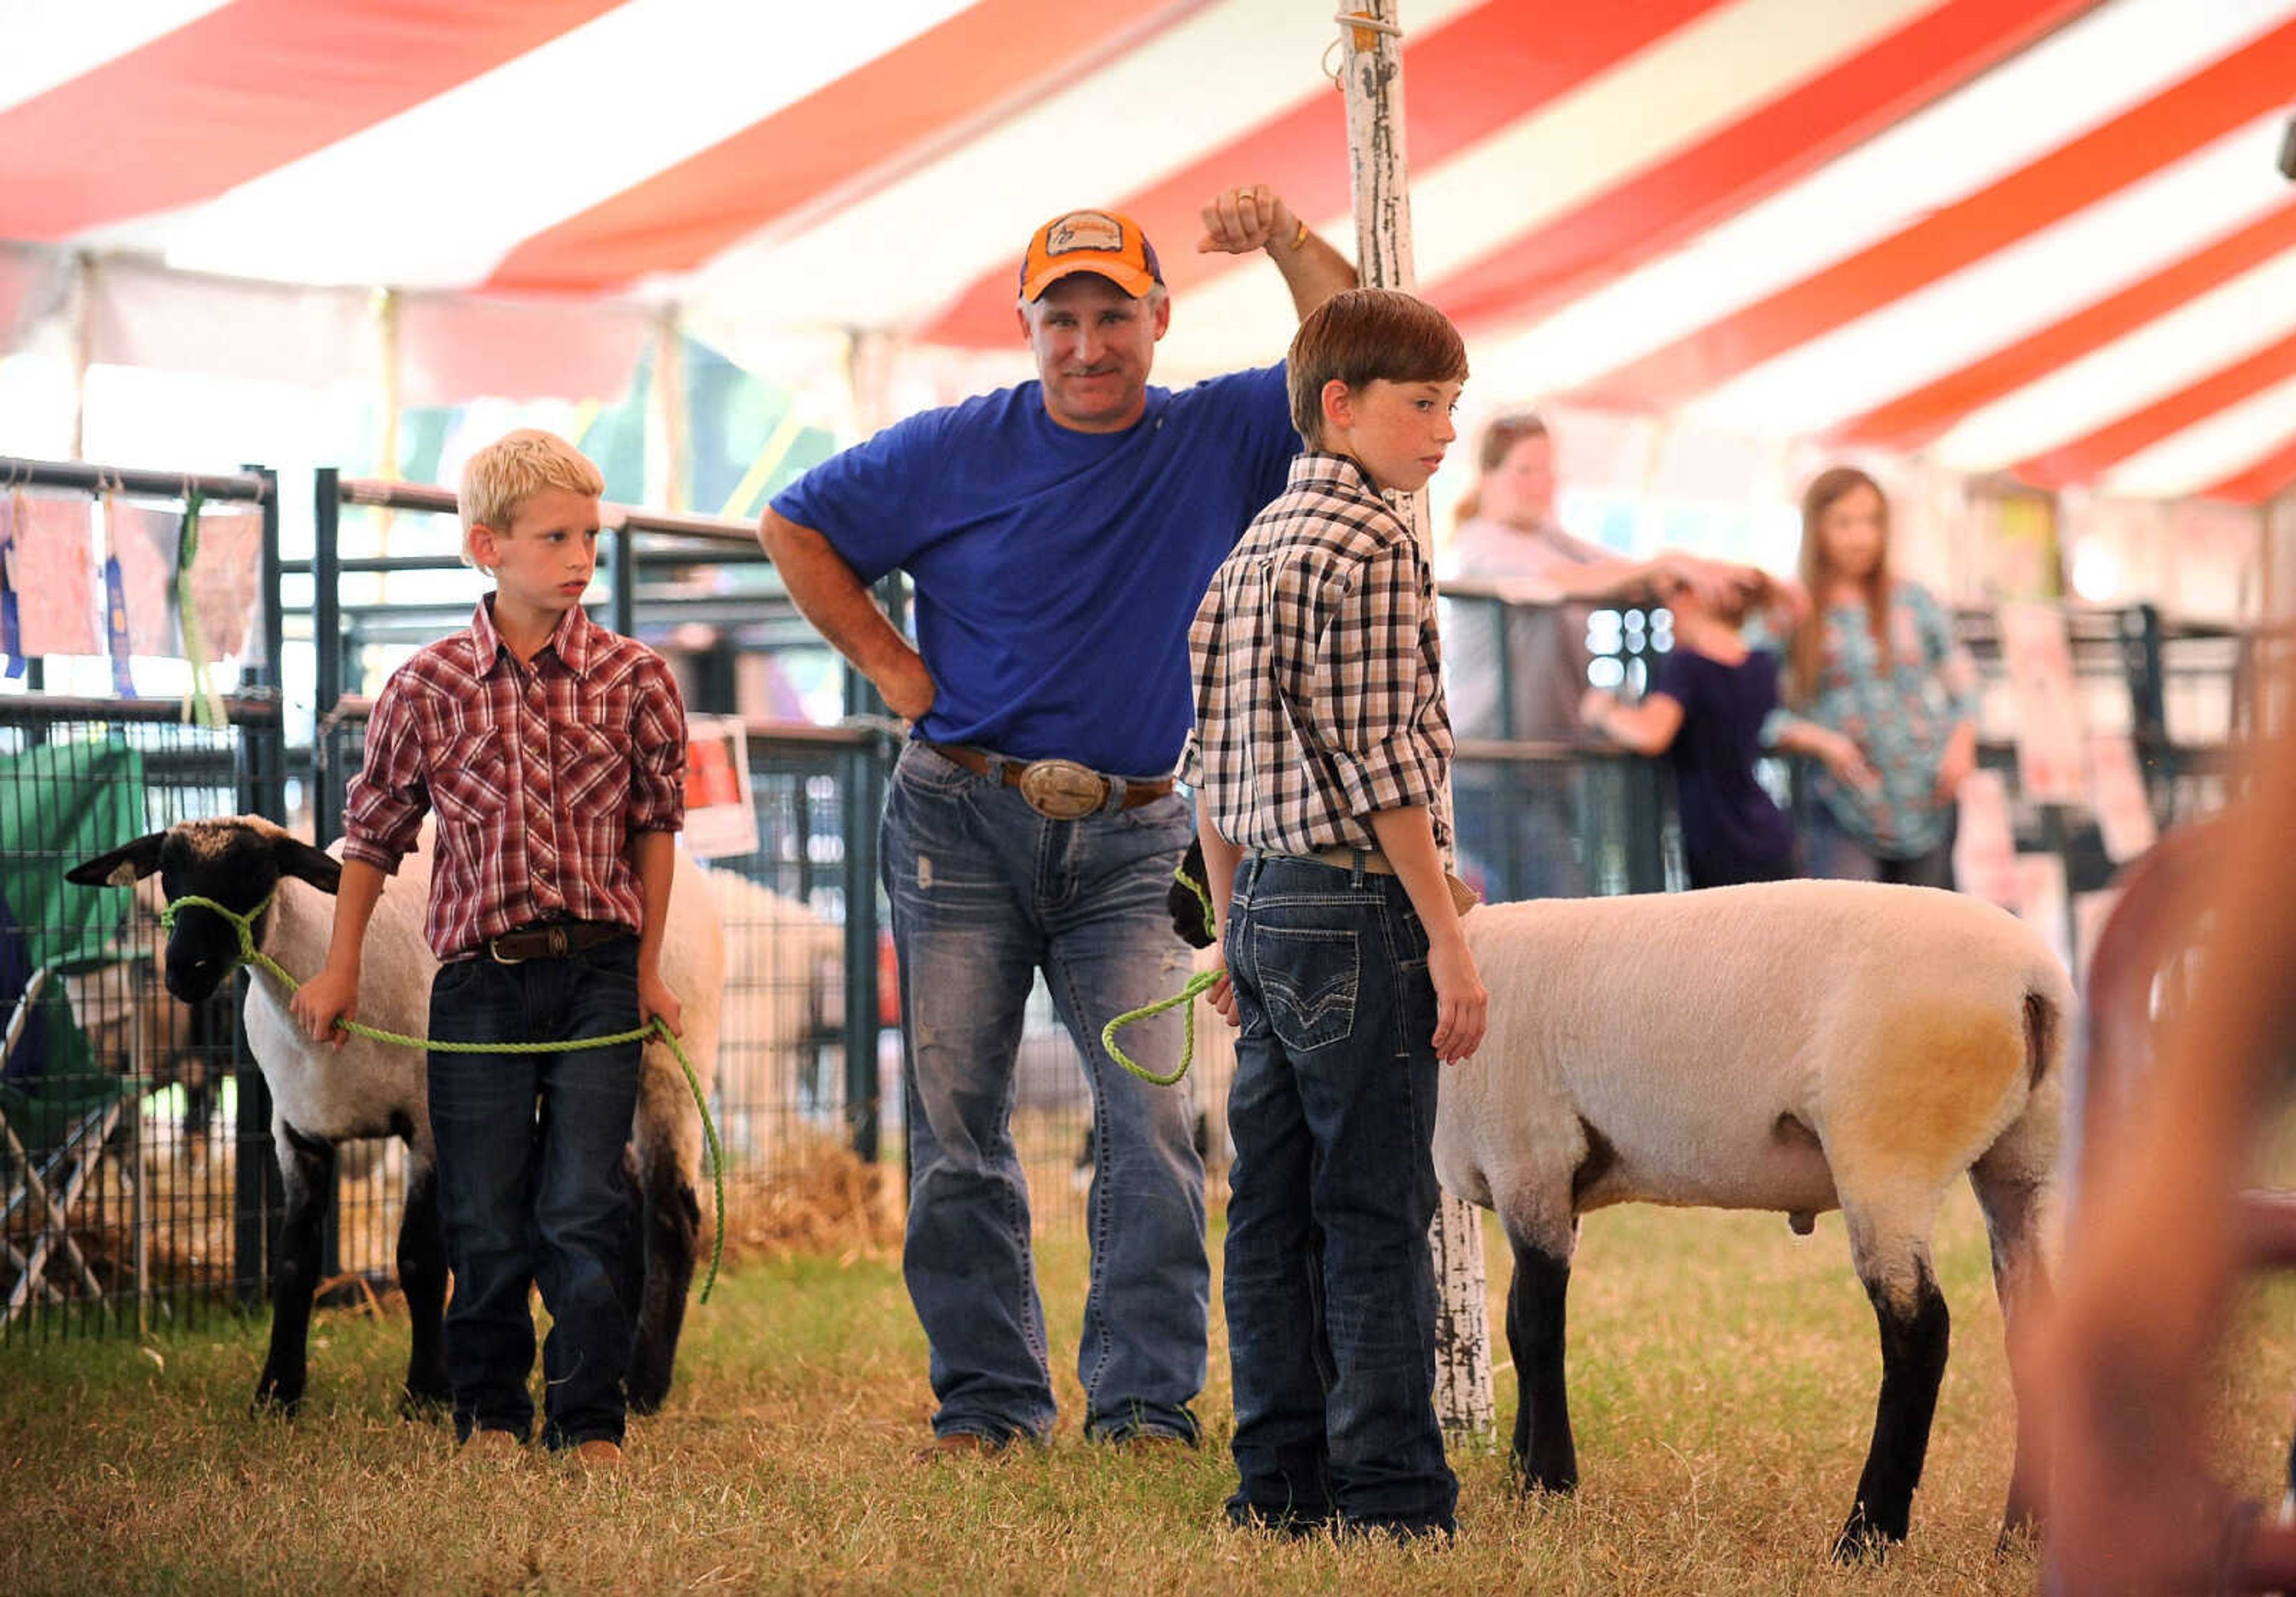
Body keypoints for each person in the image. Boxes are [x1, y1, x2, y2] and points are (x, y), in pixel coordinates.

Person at [757, 189, 1356, 1456]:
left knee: (1149, 1120)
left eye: (1114, 317)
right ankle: (990, 1404)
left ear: (1160, 318)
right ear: (1026, 328)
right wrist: (889, 669)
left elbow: (1356, 350)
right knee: (957, 1121)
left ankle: (1144, 1405)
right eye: (1062, 319)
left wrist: (1293, 244)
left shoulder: (1219, 432)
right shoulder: (952, 445)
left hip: (1141, 834)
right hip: (960, 817)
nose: (1090, 345)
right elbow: (794, 523)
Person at [289, 429, 688, 1465]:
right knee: (482, 1204)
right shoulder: (425, 687)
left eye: (590, 535)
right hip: (475, 987)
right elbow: (371, 835)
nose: (579, 556)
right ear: (487, 545)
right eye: (555, 535)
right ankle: (492, 1415)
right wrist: (337, 967)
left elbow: (655, 827)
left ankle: (591, 1420)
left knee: (587, 1198)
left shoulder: (637, 679)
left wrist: (647, 970)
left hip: (601, 972)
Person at [1188, 287, 1486, 1541]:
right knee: (1372, 1208)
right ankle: (1392, 1492)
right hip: (1359, 909)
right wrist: (1449, 937)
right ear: (1340, 407)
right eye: (1424, 405)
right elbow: (1384, 770)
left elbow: (1204, 756)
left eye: (1454, 407)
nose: (1444, 433)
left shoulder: (1249, 550)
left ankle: (1279, 1480)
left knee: (1269, 1209)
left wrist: (1223, 918)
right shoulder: (1374, 547)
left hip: (1263, 900)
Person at [1440, 412, 1753, 899]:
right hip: (1493, 771)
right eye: (1524, 470)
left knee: (1554, 903)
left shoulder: (1549, 537)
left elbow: (1622, 570)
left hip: (1548, 766)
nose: (1539, 484)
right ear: (1488, 478)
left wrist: (1703, 569)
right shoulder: (1483, 544)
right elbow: (1565, 581)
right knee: (1557, 903)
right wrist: (1665, 564)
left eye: (1547, 470)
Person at [1579, 571, 1876, 889]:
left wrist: (1603, 712)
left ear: (1694, 599)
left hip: (1721, 840)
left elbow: (1652, 734)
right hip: (1767, 835)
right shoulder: (1760, 664)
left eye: (1674, 599)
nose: (1668, 613)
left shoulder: (1688, 666)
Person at [1783, 466, 1979, 887]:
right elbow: (1759, 713)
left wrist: (1961, 743)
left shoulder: (1914, 599)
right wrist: (1820, 740)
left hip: (1928, 798)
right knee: (1856, 933)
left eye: (1872, 521)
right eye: (1844, 522)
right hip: (1845, 807)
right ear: (1816, 527)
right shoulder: (1793, 610)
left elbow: (1963, 682)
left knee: (1929, 937)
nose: (1861, 537)